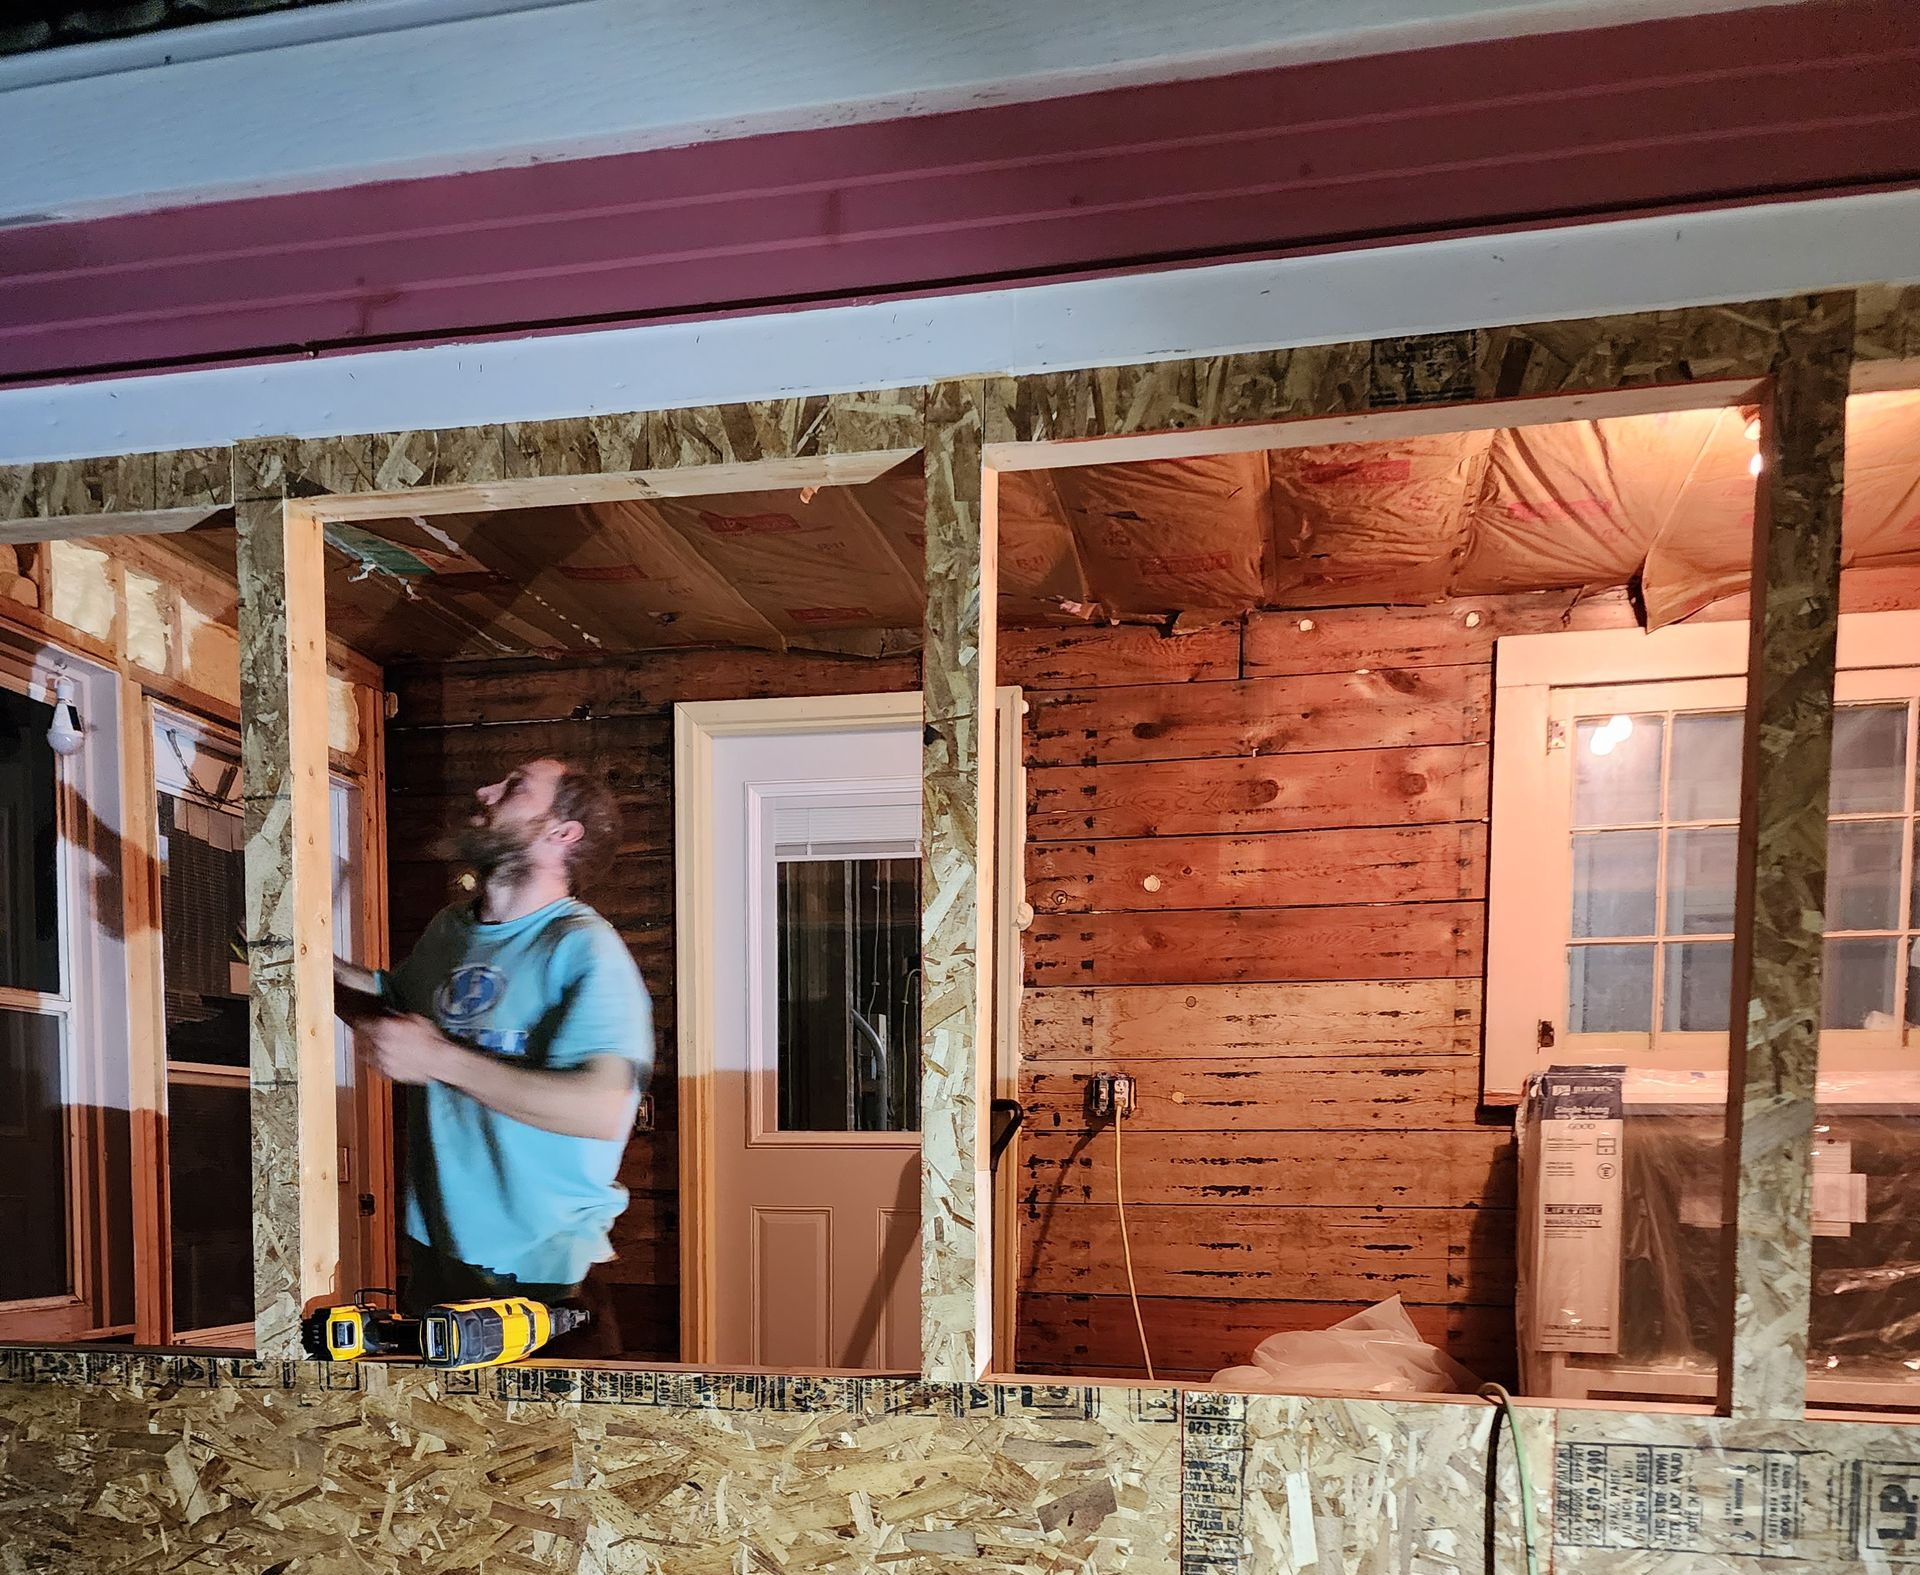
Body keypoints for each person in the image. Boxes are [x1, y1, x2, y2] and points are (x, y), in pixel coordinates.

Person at [336, 757, 652, 1329]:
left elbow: (602, 1109)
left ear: (562, 833)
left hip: (542, 1278)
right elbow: (393, 1006)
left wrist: (440, 1059)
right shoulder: (451, 929)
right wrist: (297, 960)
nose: (485, 791)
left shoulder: (584, 948)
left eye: (515, 787)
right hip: (437, 1255)